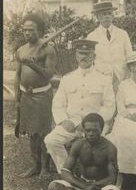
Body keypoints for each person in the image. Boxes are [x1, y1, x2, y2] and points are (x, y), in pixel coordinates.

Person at [44, 39, 115, 174]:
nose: (84, 57)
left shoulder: (104, 79)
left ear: (93, 56)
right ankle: (66, 171)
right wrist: (64, 121)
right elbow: (58, 104)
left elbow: (109, 105)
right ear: (76, 56)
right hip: (72, 124)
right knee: (51, 140)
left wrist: (94, 123)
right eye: (81, 53)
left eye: (88, 53)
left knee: (99, 148)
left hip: (96, 126)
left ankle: (95, 174)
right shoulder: (67, 79)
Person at [14, 13, 57, 178]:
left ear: (39, 31)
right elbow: (17, 75)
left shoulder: (48, 49)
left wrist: (33, 64)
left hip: (42, 96)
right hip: (26, 96)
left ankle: (45, 168)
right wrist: (18, 97)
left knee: (44, 132)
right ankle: (35, 165)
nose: (27, 33)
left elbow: (49, 75)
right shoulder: (21, 50)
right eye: (25, 30)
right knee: (31, 132)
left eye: (31, 30)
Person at [47, 113, 120, 190]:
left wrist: (93, 185)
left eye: (95, 131)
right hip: (81, 184)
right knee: (54, 186)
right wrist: (84, 186)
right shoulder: (78, 144)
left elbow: (112, 178)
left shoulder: (110, 148)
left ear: (101, 130)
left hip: (100, 187)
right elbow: (65, 171)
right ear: (83, 130)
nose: (91, 134)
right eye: (88, 130)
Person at [106, 51, 136, 177]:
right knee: (121, 135)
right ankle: (122, 171)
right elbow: (120, 105)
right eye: (133, 65)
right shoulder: (123, 85)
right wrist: (129, 116)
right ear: (129, 68)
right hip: (125, 116)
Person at [87, 2, 133, 91]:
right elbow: (90, 61)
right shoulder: (91, 36)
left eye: (109, 13)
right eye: (103, 14)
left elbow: (129, 56)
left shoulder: (122, 34)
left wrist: (128, 75)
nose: (107, 16)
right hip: (101, 78)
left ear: (112, 16)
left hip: (121, 76)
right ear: (97, 17)